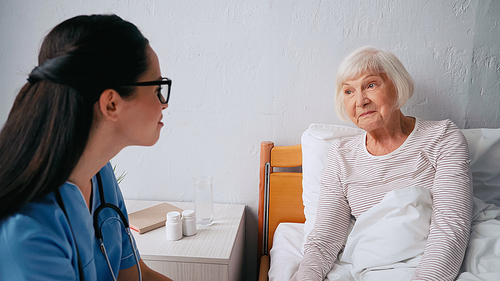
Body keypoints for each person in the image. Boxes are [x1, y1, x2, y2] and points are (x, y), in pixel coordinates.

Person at [0, 14, 173, 281]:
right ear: (111, 104)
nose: (164, 103)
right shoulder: (29, 233)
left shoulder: (100, 175)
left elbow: (138, 277)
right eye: (157, 88)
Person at [291, 46, 472, 280]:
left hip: (432, 265)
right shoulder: (341, 156)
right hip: (372, 266)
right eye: (348, 91)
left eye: (371, 85)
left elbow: (450, 229)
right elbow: (324, 241)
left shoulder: (442, 137)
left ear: (397, 86)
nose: (360, 101)